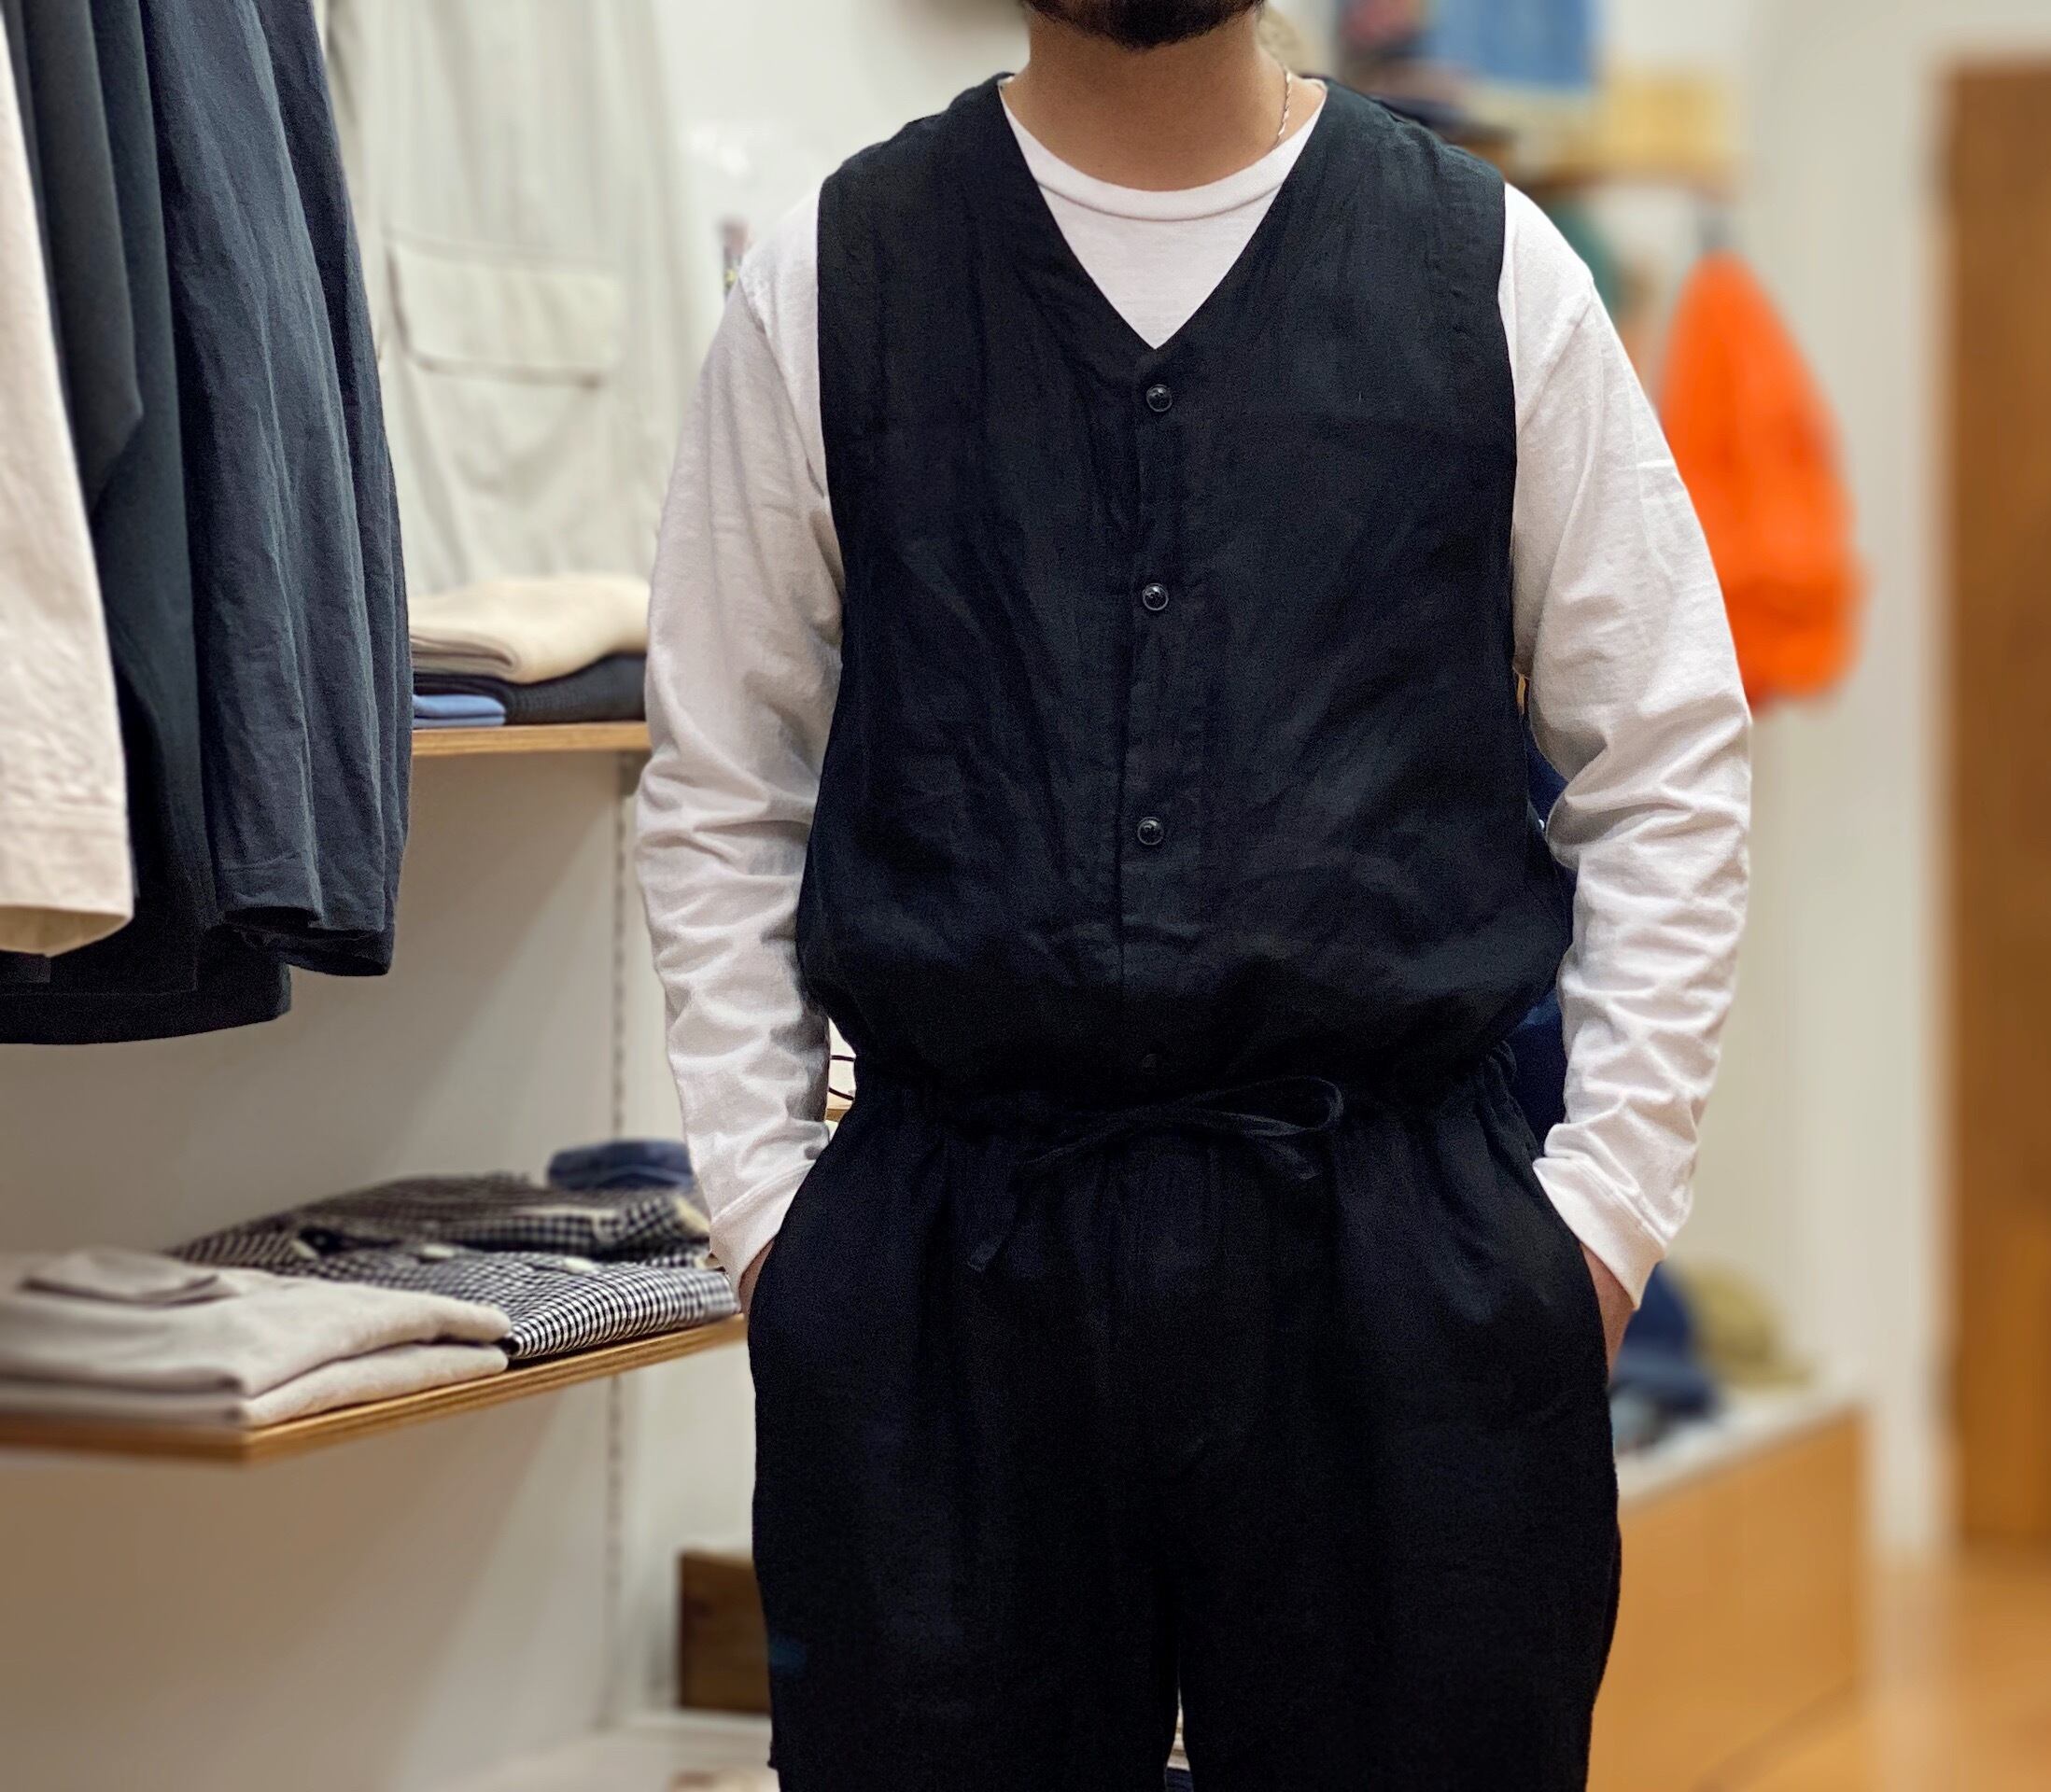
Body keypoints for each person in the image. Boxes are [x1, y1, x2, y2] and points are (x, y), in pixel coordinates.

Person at [636, 3, 1749, 1785]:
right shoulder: (834, 276)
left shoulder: (1489, 268)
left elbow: (1667, 752)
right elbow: (721, 780)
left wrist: (1602, 1221)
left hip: (1400, 1274)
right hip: (943, 1275)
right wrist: (773, 1221)